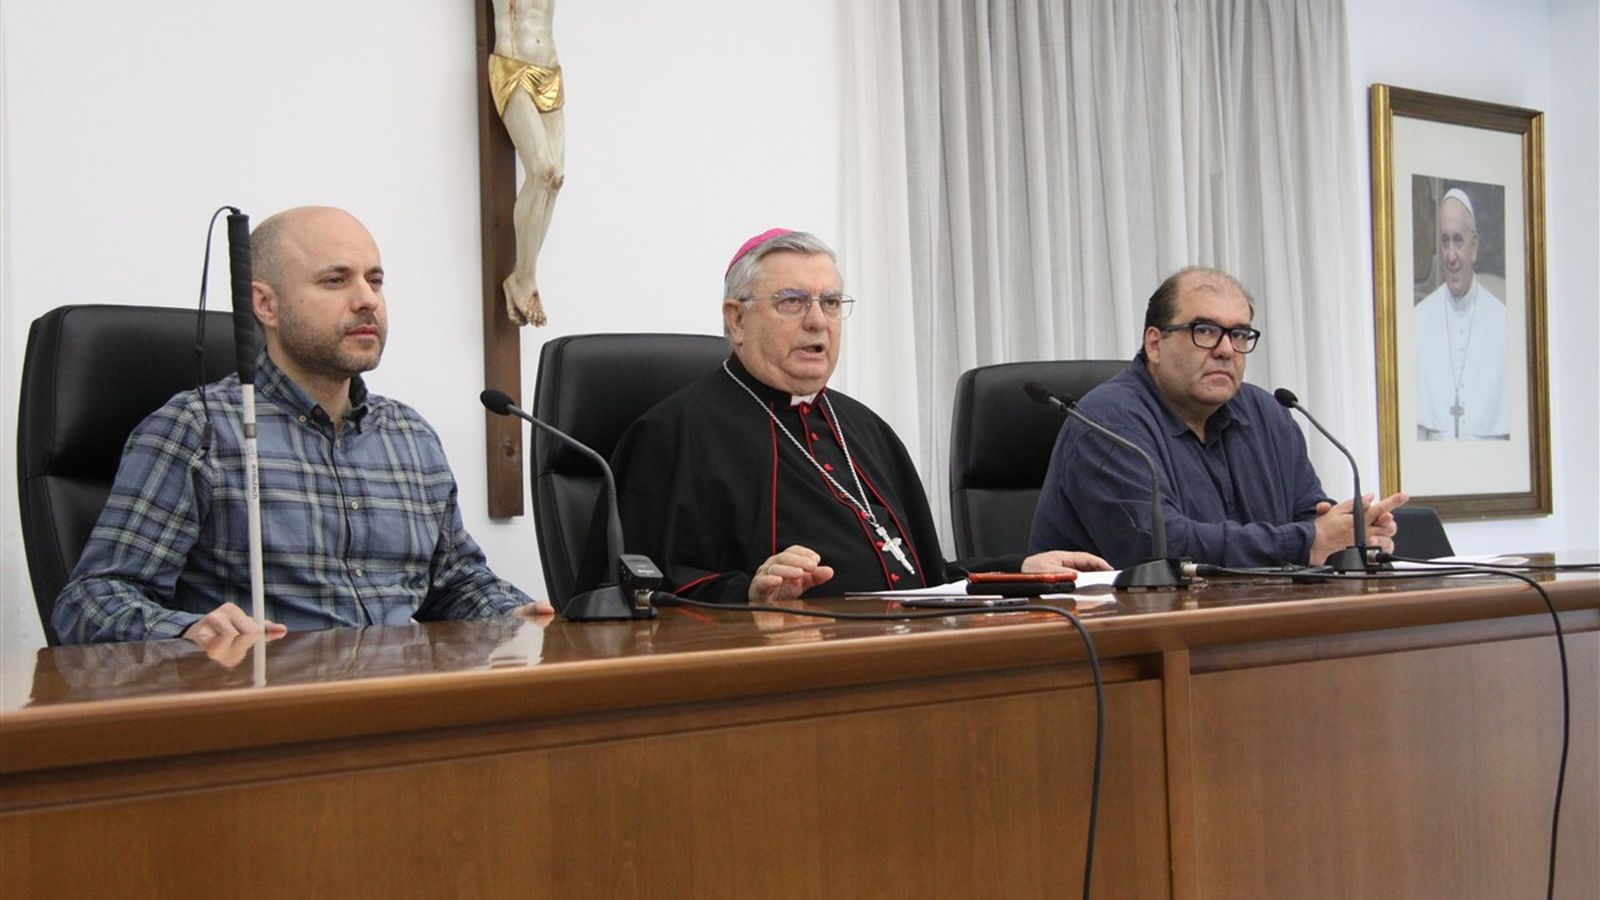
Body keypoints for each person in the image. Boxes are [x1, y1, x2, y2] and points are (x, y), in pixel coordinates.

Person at [53, 206, 551, 645]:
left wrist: (515, 613)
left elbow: (455, 584)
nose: (367, 301)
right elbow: (92, 602)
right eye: (335, 281)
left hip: (400, 711)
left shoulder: (410, 437)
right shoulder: (197, 430)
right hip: (266, 720)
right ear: (266, 305)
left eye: (374, 281)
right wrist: (185, 630)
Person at [610, 228, 1108, 605]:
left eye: (830, 302)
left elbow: (924, 577)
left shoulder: (865, 429)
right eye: (792, 302)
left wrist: (1021, 568)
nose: (817, 320)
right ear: (736, 319)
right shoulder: (673, 435)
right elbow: (643, 590)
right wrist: (752, 593)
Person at [1029, 266, 1408, 569]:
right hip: (1122, 643)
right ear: (1155, 344)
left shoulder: (1270, 415)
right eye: (1205, 331)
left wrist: (1352, 536)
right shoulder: (1109, 425)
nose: (1226, 349)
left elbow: (1310, 518)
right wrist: (1308, 541)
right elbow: (1163, 548)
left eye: (1240, 334)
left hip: (1253, 629)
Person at [489, 0, 565, 326]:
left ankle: (524, 277)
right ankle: (522, 278)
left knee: (556, 178)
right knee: (542, 171)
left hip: (549, 70)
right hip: (512, 65)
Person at [1414, 187, 1510, 440]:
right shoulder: (1418, 320)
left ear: (1474, 246)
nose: (1451, 255)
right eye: (1445, 241)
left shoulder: (1504, 322)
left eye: (1458, 240)